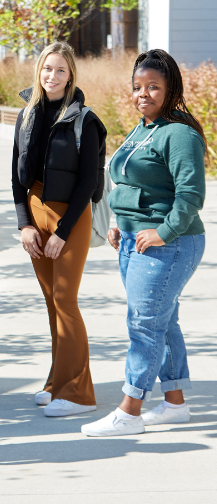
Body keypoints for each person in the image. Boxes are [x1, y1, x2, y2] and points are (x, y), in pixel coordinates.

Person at [82, 49, 206, 437]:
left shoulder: (179, 134)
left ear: (171, 90)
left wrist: (162, 232)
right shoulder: (143, 129)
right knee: (163, 321)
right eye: (137, 87)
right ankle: (174, 404)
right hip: (134, 239)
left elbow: (190, 196)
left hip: (168, 243)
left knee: (144, 324)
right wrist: (122, 222)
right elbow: (132, 184)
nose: (143, 94)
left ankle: (129, 411)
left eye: (153, 87)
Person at [12, 41, 106, 417]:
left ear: (71, 76)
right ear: (39, 71)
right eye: (47, 68)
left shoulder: (86, 120)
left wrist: (63, 232)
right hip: (35, 214)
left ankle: (79, 394)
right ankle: (57, 381)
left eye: (61, 70)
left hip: (71, 216)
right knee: (52, 303)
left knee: (66, 301)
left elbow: (87, 184)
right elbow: (17, 177)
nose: (52, 76)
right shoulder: (27, 114)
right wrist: (24, 225)